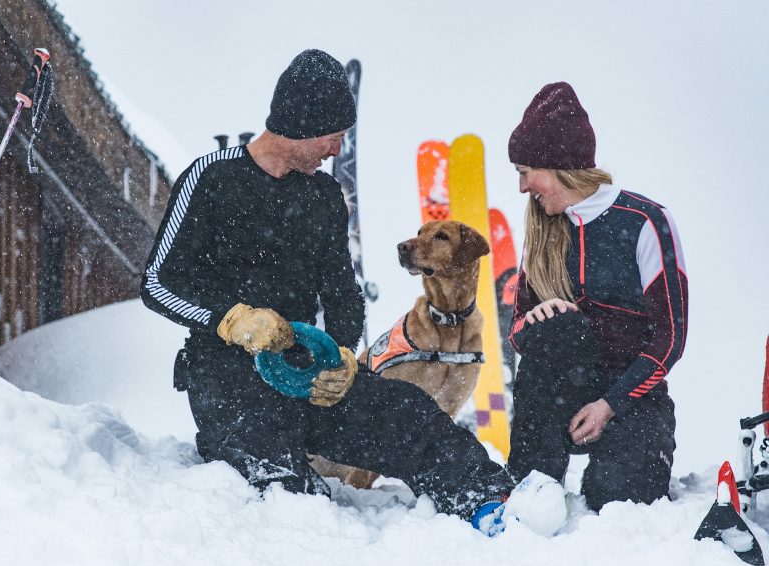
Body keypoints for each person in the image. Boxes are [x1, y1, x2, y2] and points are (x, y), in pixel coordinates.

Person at [140, 49, 518, 526]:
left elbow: (343, 293)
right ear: (303, 123)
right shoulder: (212, 178)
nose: (338, 150)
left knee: (407, 411)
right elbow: (157, 282)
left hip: (308, 371)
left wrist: (341, 352)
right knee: (290, 495)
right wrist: (231, 319)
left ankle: (490, 501)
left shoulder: (323, 198)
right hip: (226, 378)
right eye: (334, 136)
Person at [504, 82, 688, 511]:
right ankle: (532, 483)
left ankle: (620, 472)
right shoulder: (541, 229)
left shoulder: (645, 221)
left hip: (632, 396)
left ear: (558, 166)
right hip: (562, 391)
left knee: (619, 500)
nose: (522, 186)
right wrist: (534, 323)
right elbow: (515, 332)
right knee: (555, 326)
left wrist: (610, 404)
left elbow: (670, 337)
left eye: (525, 171)